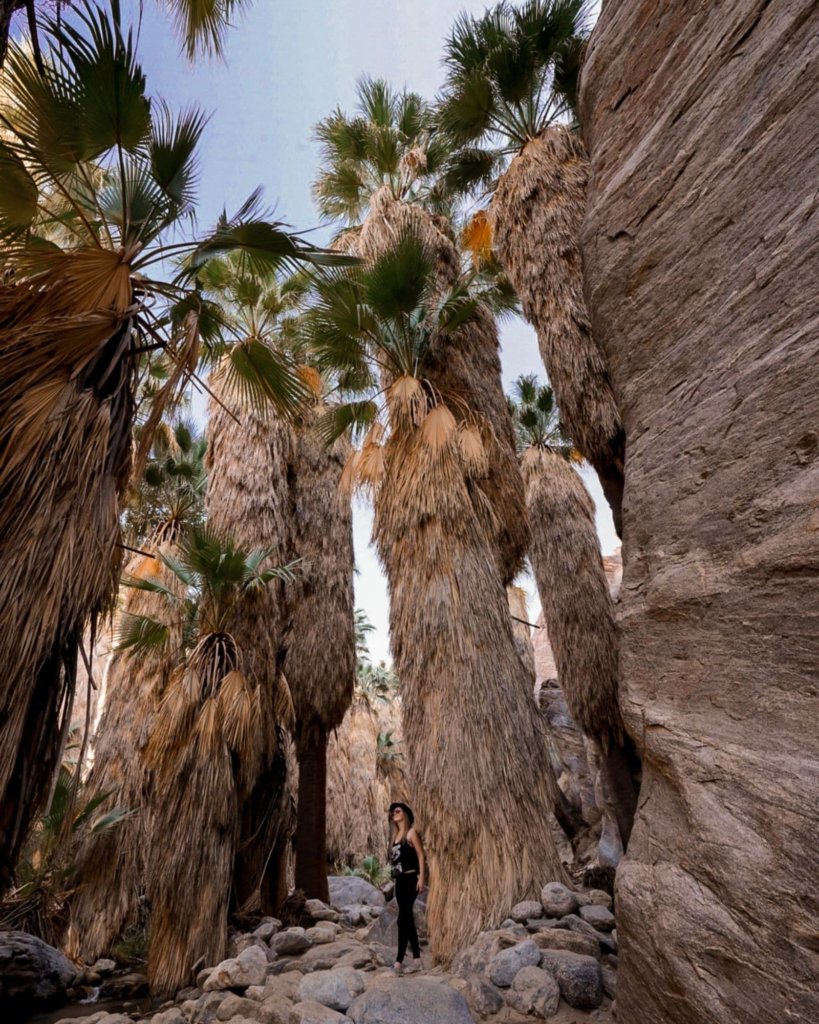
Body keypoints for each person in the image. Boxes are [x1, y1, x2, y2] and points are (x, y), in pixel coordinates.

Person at [388, 801, 425, 973]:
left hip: (411, 879)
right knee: (405, 918)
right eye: (392, 812)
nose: (394, 813)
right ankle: (416, 959)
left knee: (405, 918)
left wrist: (422, 878)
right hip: (399, 882)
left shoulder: (411, 833)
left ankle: (399, 962)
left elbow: (420, 856)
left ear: (405, 814)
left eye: (397, 810)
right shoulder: (395, 837)